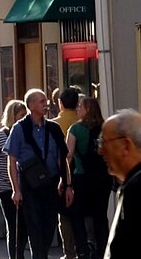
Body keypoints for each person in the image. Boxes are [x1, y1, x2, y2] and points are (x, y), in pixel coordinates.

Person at [6, 88, 72, 259]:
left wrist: (67, 185)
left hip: (51, 184)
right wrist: (16, 189)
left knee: (49, 225)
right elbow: (12, 160)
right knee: (34, 226)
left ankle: (41, 254)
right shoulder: (19, 129)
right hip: (30, 186)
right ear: (31, 105)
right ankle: (39, 256)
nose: (46, 104)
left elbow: (62, 158)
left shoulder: (54, 128)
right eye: (42, 101)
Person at [66, 97, 112, 259]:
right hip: (102, 179)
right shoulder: (106, 128)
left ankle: (83, 250)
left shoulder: (75, 129)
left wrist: (66, 182)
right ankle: (103, 251)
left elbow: (68, 156)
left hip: (82, 177)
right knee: (100, 215)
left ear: (88, 109)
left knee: (77, 214)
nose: (77, 109)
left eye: (80, 106)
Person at [0, 100, 29, 259]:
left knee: (25, 227)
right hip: (5, 187)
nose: (24, 118)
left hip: (26, 187)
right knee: (14, 225)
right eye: (21, 115)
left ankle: (20, 253)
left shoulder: (27, 133)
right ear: (12, 116)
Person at [100, 109, 141, 259]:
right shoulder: (132, 183)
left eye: (104, 142)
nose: (100, 150)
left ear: (126, 145)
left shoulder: (136, 188)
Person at [53, 87, 81, 259]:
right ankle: (84, 248)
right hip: (82, 173)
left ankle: (68, 251)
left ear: (60, 103)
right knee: (82, 213)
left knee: (64, 215)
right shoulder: (83, 121)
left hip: (61, 173)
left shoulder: (53, 123)